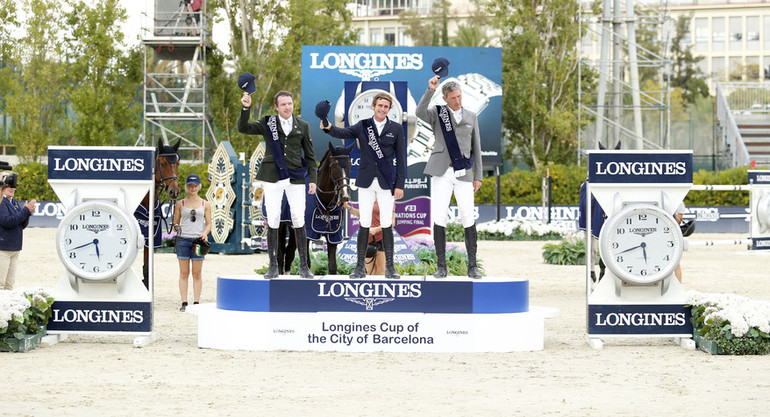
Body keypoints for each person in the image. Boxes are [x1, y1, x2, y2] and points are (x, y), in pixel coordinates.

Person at [320, 92, 407, 279]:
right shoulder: (363, 125)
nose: (382, 109)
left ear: (389, 109)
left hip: (386, 181)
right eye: (380, 105)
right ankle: (359, 268)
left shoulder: (397, 129)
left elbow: (401, 159)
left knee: (386, 224)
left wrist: (400, 184)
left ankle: (390, 268)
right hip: (366, 180)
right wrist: (328, 127)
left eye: (386, 106)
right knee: (364, 222)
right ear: (373, 106)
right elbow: (343, 132)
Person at [240, 90, 317, 279]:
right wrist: (245, 107)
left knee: (299, 218)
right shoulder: (268, 123)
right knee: (273, 218)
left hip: (296, 177)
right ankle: (273, 266)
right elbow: (244, 127)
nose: (287, 107)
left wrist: (313, 180)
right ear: (276, 107)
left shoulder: (303, 126)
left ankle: (304, 267)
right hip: (272, 176)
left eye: (290, 103)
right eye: (283, 104)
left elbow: (310, 156)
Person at [416, 75, 483, 279]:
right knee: (439, 216)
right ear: (445, 98)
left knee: (467, 215)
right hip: (441, 171)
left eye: (459, 96)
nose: (458, 100)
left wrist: (478, 176)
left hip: (463, 171)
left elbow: (477, 149)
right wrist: (430, 90)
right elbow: (419, 112)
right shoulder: (438, 113)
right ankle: (441, 266)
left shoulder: (471, 116)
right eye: (453, 97)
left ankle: (472, 266)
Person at [173, 174, 212, 311]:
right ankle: (184, 302)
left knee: (197, 273)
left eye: (195, 185)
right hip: (183, 240)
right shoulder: (180, 204)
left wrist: (205, 233)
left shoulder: (205, 204)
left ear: (199, 186)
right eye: (190, 185)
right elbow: (175, 222)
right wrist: (177, 227)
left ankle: (196, 302)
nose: (192, 188)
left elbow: (209, 224)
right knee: (184, 273)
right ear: (187, 186)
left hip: (198, 241)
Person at [0, 172, 35, 290]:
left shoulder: (13, 202)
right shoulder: (1, 202)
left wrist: (27, 213)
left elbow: (21, 225)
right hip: (3, 249)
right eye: (9, 185)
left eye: (13, 186)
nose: (12, 188)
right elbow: (7, 221)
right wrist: (25, 212)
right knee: (0, 284)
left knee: (9, 285)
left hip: (14, 248)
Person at [365, 201, 397, 276]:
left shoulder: (388, 200)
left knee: (381, 271)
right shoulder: (367, 199)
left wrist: (376, 229)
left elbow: (392, 223)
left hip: (381, 238)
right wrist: (347, 207)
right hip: (368, 238)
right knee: (369, 271)